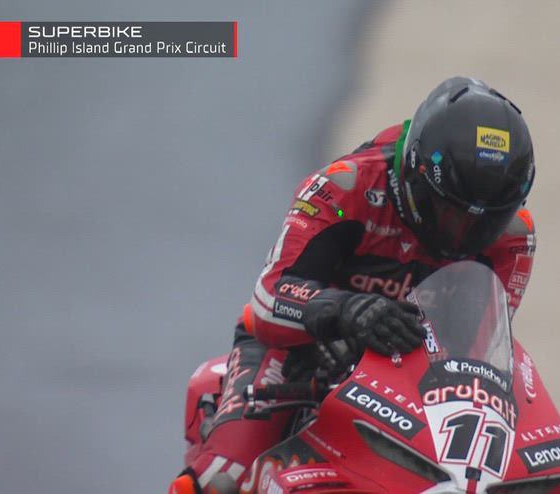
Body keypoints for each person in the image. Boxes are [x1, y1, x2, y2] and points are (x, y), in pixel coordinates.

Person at [169, 76, 538, 494]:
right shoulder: (344, 187)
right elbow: (268, 297)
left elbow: (483, 352)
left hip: (411, 380)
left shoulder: (514, 238)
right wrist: (346, 310)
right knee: (220, 477)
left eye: (485, 222)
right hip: (298, 353)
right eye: (450, 212)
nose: (462, 235)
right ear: (415, 175)